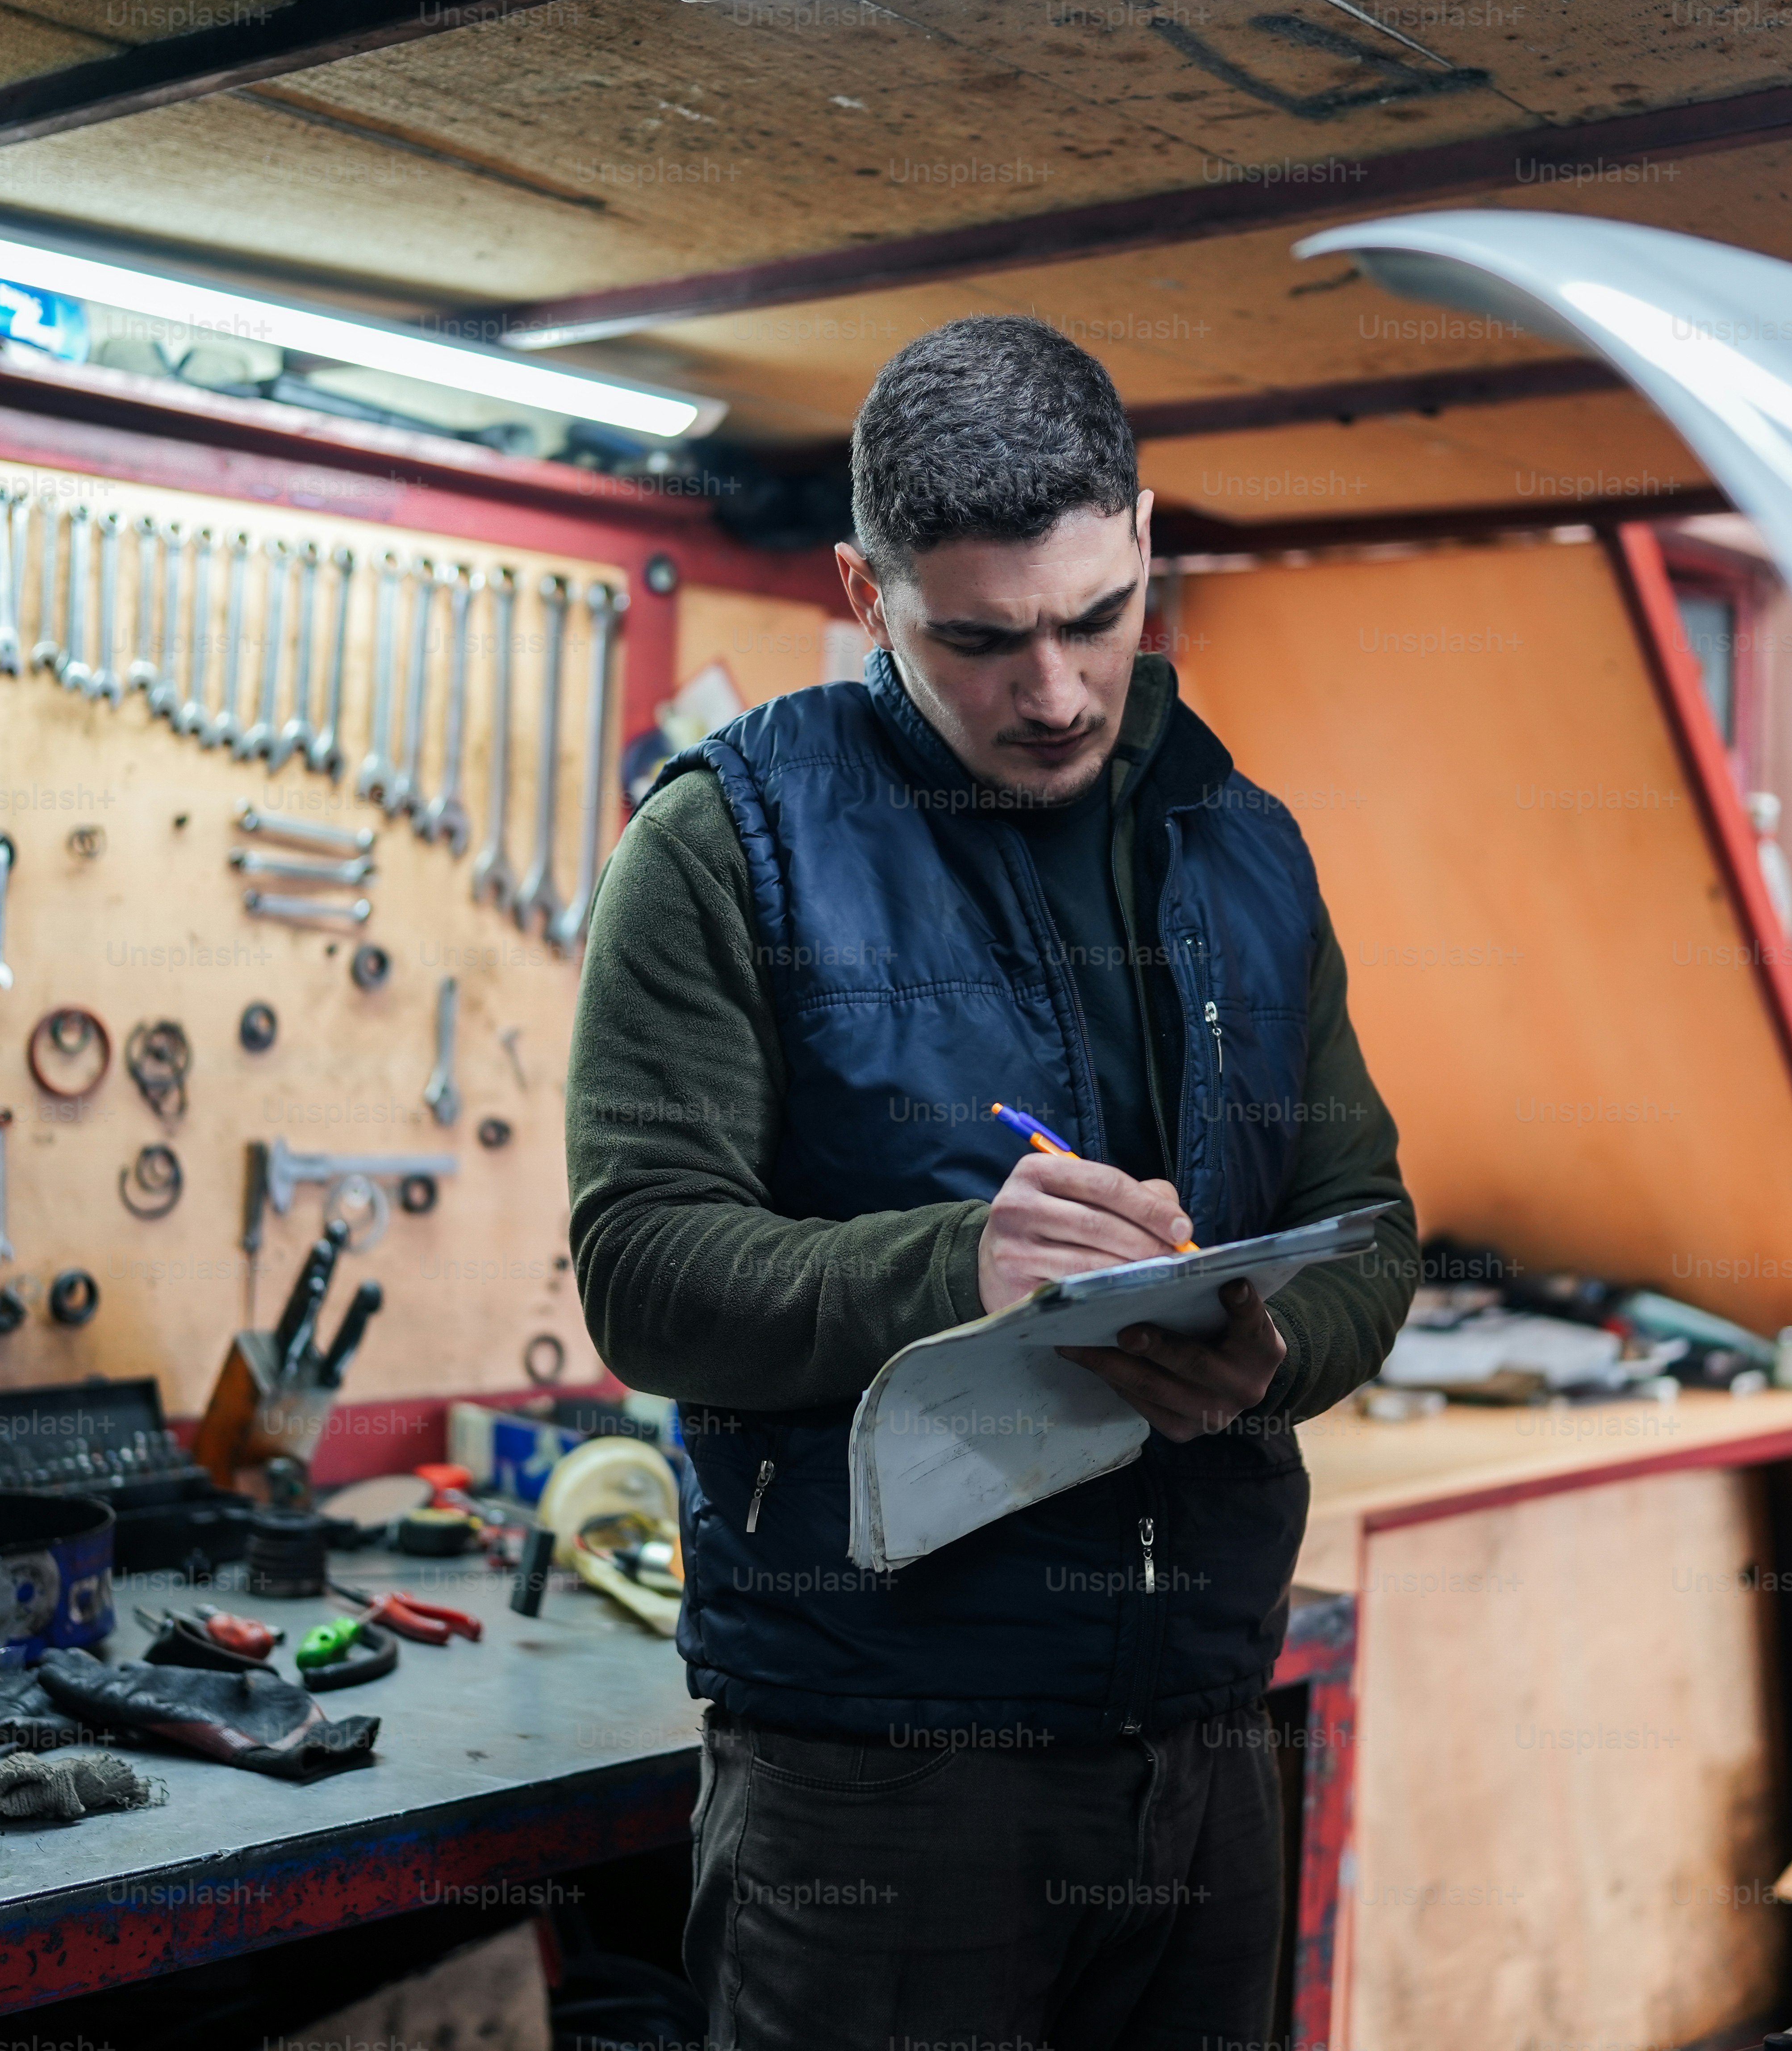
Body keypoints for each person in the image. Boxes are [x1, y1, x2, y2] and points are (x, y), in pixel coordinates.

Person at [565, 313, 1418, 2047]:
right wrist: (957, 1266)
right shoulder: (729, 842)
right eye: (981, 639)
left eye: (1094, 619)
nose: (1053, 690)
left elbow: (1375, 1222)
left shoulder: (1243, 844)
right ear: (861, 587)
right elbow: (642, 1267)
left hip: (1200, 1734)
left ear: (1146, 539)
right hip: (877, 1778)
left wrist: (1278, 1351)